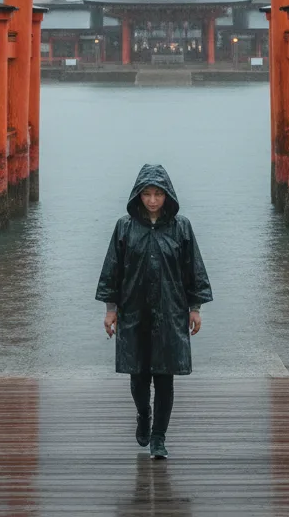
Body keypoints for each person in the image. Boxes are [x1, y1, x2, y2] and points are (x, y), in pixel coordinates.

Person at [96, 163, 213, 459]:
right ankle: (143, 414)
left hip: (170, 312)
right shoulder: (125, 226)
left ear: (167, 196)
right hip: (134, 312)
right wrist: (111, 310)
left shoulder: (181, 227)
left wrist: (195, 308)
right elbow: (112, 270)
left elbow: (193, 270)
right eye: (147, 194)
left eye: (157, 194)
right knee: (138, 377)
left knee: (164, 378)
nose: (152, 200)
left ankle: (159, 437)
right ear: (138, 195)